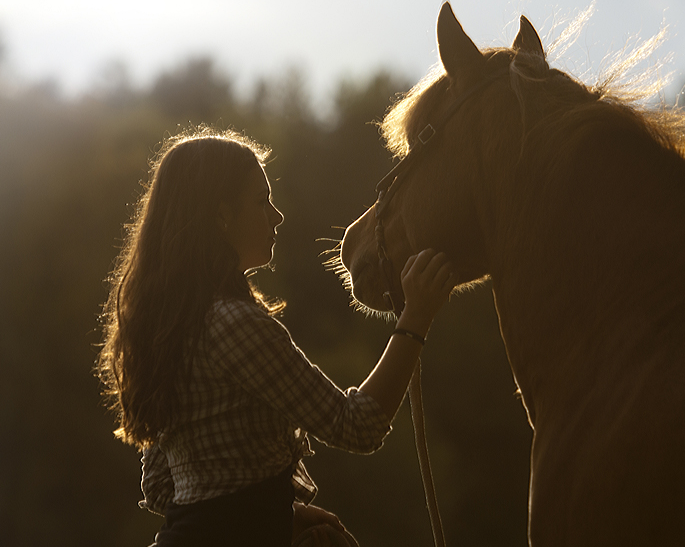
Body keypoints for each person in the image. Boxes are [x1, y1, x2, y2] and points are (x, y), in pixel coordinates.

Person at [96, 127, 455, 547]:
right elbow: (357, 425)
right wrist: (417, 316)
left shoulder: (173, 328)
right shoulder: (234, 325)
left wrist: (275, 516)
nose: (276, 215)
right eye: (262, 200)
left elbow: (160, 486)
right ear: (222, 215)